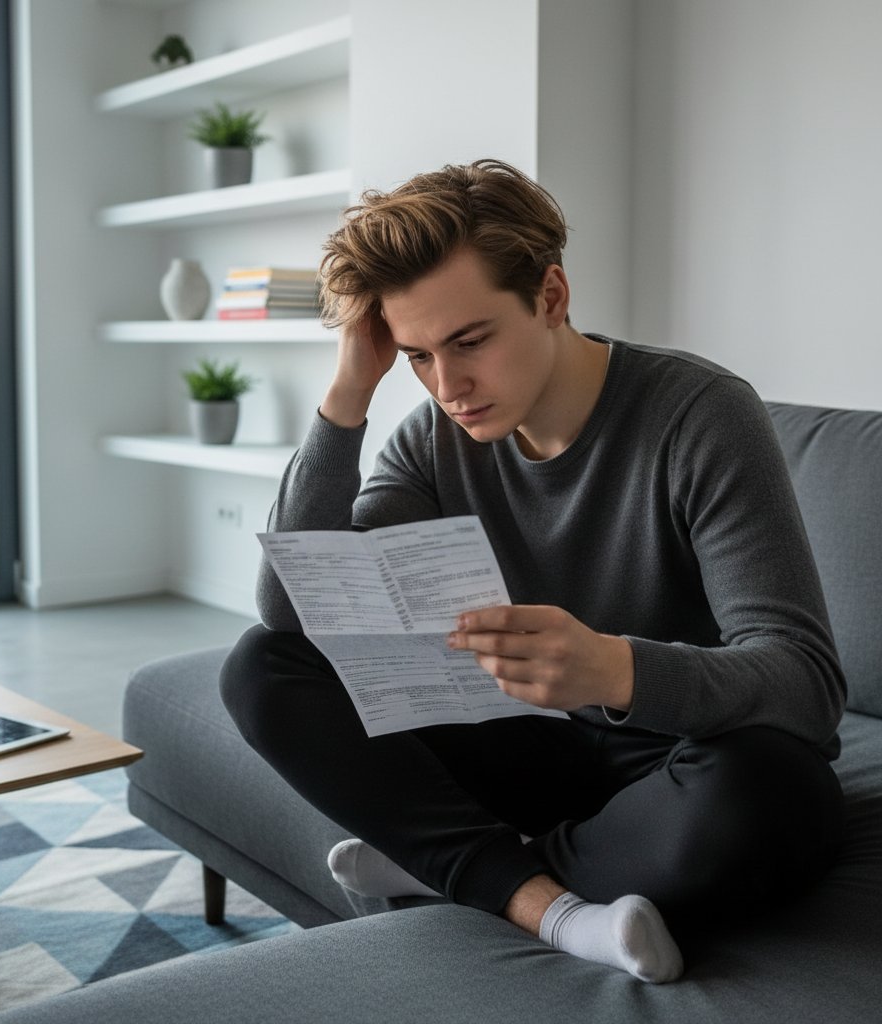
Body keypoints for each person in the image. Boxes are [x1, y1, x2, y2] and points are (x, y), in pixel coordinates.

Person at [219, 158, 846, 983]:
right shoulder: (435, 436)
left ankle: (461, 865)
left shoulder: (701, 415)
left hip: (674, 761)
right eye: (417, 355)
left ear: (551, 297)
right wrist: (348, 394)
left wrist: (612, 668)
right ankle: (543, 898)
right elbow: (295, 610)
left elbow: (805, 684)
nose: (449, 386)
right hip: (528, 750)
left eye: (470, 341)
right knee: (264, 668)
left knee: (777, 794)